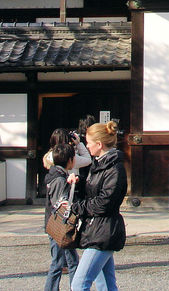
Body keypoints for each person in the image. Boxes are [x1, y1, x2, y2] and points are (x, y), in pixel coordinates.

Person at [69, 121, 127, 291]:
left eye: (88, 143)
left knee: (79, 284)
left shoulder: (114, 168)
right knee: (106, 285)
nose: (86, 146)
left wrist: (76, 207)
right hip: (98, 229)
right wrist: (79, 183)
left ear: (99, 144)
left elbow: (104, 203)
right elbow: (96, 190)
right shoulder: (100, 164)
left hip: (103, 231)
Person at [45, 143, 79, 291]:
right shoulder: (59, 179)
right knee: (59, 262)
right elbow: (60, 204)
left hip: (56, 224)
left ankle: (76, 287)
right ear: (70, 160)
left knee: (71, 261)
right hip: (59, 225)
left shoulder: (56, 175)